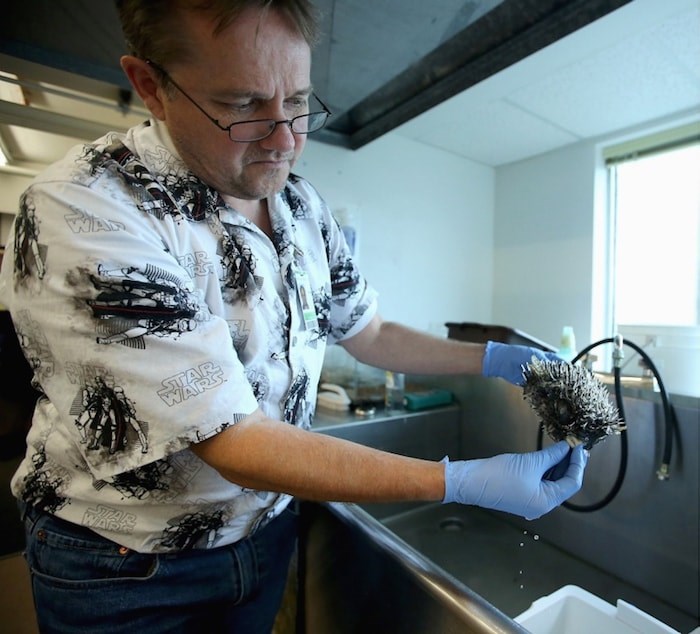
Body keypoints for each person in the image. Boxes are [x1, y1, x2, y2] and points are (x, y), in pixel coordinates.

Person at [0, 1, 588, 632]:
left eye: (299, 102)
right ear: (152, 87)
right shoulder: (88, 210)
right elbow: (234, 440)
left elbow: (371, 332)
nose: (285, 141)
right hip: (128, 568)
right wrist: (459, 481)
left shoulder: (301, 205)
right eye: (243, 105)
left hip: (264, 536)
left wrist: (497, 358)